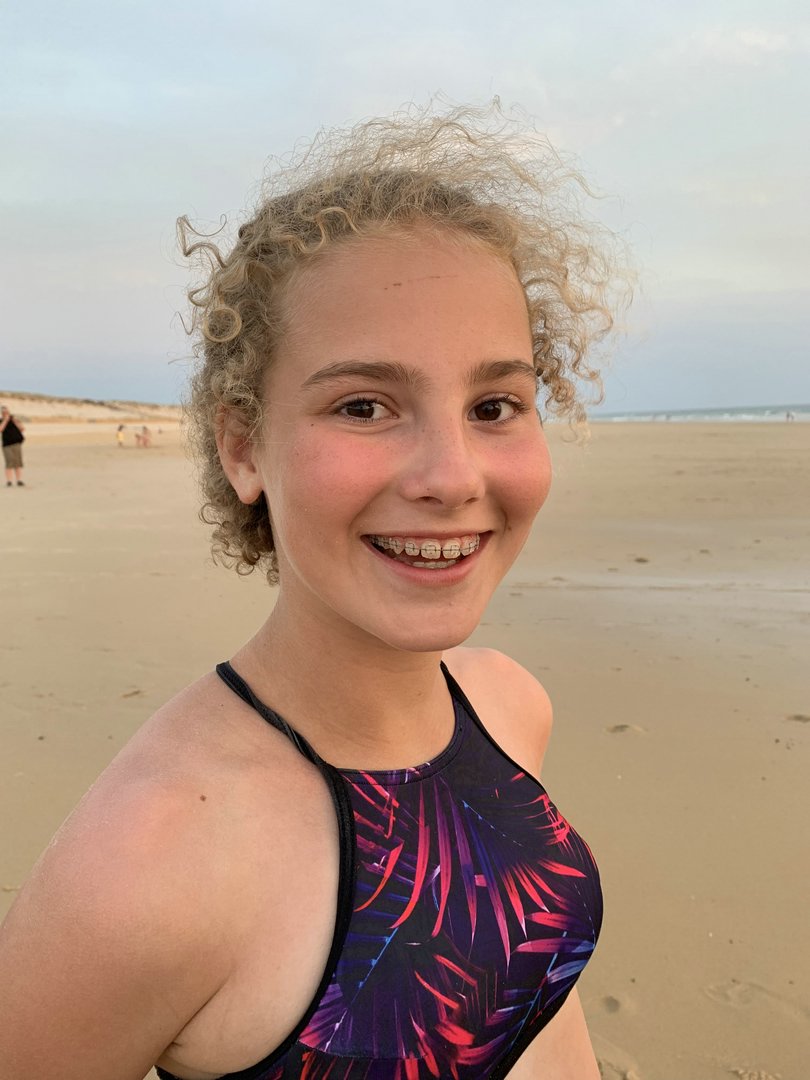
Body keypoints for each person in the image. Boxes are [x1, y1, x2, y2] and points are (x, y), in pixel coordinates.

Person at [0, 104, 624, 1079]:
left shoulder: (508, 706)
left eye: (495, 404)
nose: (452, 475)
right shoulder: (148, 863)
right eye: (364, 405)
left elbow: (533, 997)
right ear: (243, 447)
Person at [1, 405, 25, 486]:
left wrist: (15, 421)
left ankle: (19, 480)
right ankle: (9, 481)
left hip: (16, 443)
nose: (6, 413)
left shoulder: (14, 420)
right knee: (9, 462)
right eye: (4, 412)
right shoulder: (1, 421)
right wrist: (5, 420)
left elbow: (22, 429)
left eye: (7, 412)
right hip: (7, 445)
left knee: (17, 462)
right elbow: (1, 429)